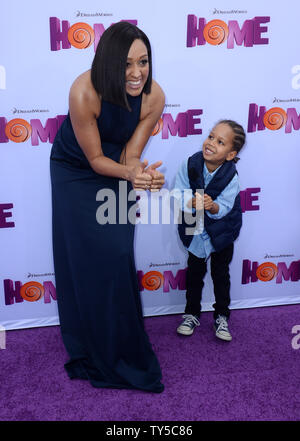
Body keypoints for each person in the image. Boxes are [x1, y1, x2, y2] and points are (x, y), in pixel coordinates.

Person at [50, 21, 165, 393]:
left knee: (117, 253)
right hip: (75, 171)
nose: (136, 73)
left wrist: (140, 174)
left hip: (116, 167)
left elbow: (130, 153)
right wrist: (132, 176)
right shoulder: (84, 91)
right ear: (107, 64)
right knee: (84, 256)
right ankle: (89, 345)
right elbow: (95, 158)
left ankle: (121, 346)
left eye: (143, 62)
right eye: (126, 64)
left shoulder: (154, 97)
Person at [175, 120, 246, 341]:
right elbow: (179, 192)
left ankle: (222, 316)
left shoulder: (231, 176)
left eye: (220, 142)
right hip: (196, 232)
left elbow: (225, 206)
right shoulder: (189, 164)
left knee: (220, 275)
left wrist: (212, 206)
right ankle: (191, 314)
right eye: (211, 136)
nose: (211, 143)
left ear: (230, 154)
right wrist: (192, 202)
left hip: (222, 232)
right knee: (195, 275)